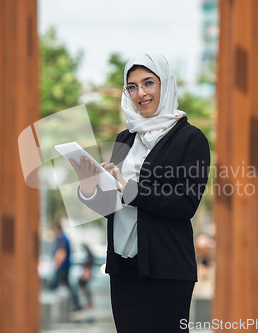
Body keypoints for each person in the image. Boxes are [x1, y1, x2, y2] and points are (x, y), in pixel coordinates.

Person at [69, 53, 210, 332]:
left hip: (166, 270)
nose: (140, 93)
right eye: (131, 86)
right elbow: (114, 205)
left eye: (148, 83)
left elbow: (185, 204)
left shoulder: (190, 139)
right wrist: (90, 187)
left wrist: (128, 187)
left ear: (165, 84)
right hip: (123, 271)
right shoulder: (125, 138)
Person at [48, 221, 82, 311]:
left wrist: (57, 264)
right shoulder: (64, 238)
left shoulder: (62, 239)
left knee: (53, 285)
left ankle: (77, 304)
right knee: (67, 285)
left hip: (63, 266)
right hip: (65, 265)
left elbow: (62, 253)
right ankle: (77, 304)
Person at [78, 244, 95, 309]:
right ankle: (89, 303)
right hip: (87, 271)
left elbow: (88, 264)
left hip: (87, 272)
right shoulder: (90, 256)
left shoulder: (89, 256)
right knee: (85, 289)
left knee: (85, 289)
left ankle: (89, 303)